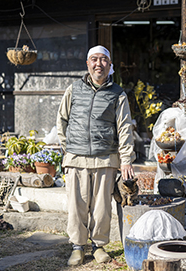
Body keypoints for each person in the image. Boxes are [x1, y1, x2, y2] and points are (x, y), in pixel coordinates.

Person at [57, 45, 135, 266]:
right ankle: (77, 247)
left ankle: (98, 246)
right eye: (94, 59)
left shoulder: (118, 94)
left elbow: (124, 128)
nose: (98, 64)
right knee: (76, 205)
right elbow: (62, 120)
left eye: (103, 60)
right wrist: (68, 148)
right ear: (87, 64)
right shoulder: (73, 89)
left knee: (102, 208)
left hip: (105, 158)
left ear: (109, 65)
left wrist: (126, 159)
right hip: (76, 158)